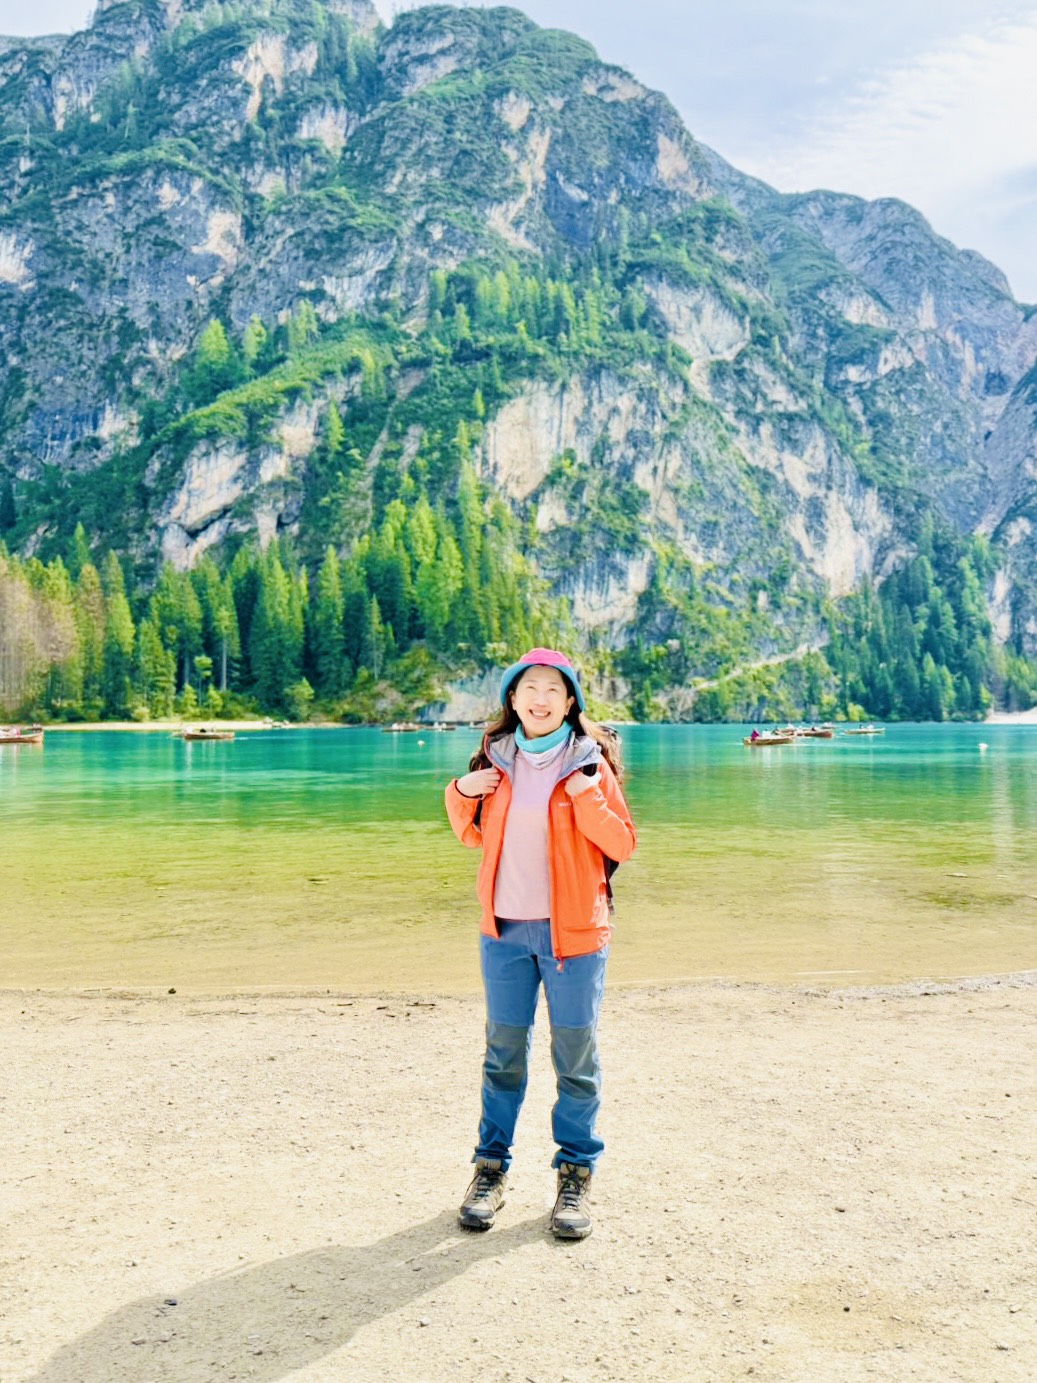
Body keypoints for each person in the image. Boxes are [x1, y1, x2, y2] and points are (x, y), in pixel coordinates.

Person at [444, 648, 636, 1240]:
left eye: (554, 688)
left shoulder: (589, 765)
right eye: (529, 687)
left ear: (570, 701)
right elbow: (471, 835)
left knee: (575, 1060)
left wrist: (586, 796)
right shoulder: (495, 759)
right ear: (513, 699)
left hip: (573, 935)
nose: (541, 698)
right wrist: (460, 790)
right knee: (502, 1056)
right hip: (503, 933)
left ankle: (575, 1174)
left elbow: (623, 845)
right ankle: (489, 1170)